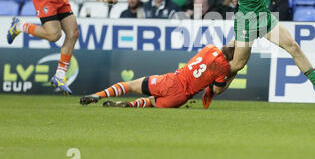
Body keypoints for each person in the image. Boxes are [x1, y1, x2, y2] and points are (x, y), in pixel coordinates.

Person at [80, 44, 236, 109]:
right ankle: (128, 105)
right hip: (181, 98)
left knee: (130, 85)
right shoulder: (223, 69)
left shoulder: (209, 47)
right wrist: (232, 73)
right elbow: (216, 90)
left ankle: (97, 95)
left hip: (171, 81)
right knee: (151, 102)